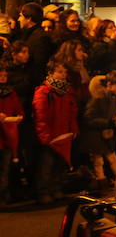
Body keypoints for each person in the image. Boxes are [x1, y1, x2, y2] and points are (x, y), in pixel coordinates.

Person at [32, 60, 79, 204]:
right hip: (50, 136)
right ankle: (44, 192)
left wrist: (73, 129)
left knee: (60, 164)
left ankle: (56, 188)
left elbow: (71, 113)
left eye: (64, 72)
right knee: (46, 166)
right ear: (50, 73)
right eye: (59, 72)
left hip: (63, 134)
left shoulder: (67, 92)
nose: (63, 75)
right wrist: (45, 136)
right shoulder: (43, 92)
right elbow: (40, 115)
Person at [80, 71, 116, 191]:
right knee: (99, 160)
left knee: (112, 158)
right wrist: (107, 122)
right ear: (109, 84)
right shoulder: (98, 98)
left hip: (105, 133)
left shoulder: (112, 99)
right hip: (96, 134)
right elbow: (88, 118)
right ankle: (102, 182)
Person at [0, 61, 25, 206]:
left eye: (4, 75)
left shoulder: (10, 93)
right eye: (0, 75)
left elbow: (18, 109)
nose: (3, 77)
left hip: (8, 136)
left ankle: (4, 196)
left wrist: (20, 116)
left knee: (5, 169)